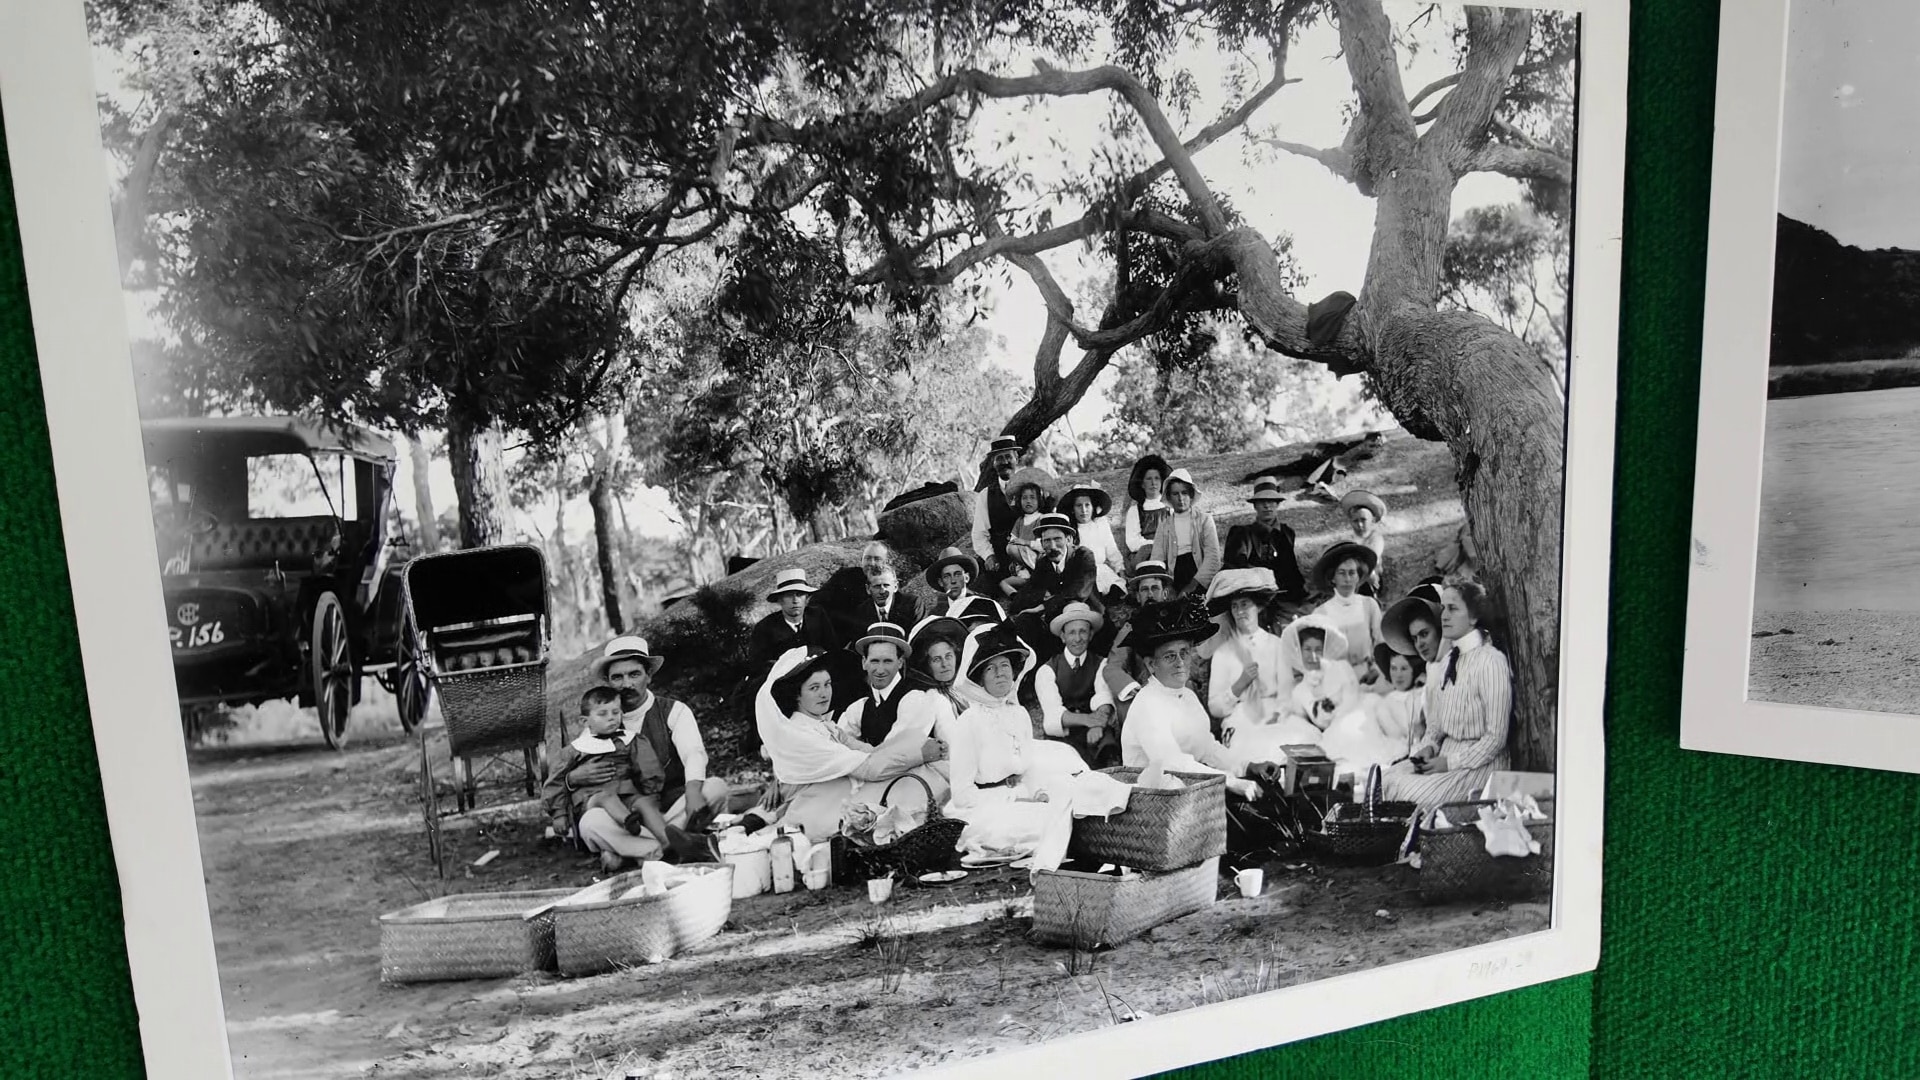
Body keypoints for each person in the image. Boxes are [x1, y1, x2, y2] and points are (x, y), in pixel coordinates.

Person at [754, 647, 950, 840]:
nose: (824, 694)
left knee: (916, 758)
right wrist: (920, 754)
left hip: (840, 793)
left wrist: (915, 748)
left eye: (827, 684)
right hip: (816, 807)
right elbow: (868, 768)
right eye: (814, 688)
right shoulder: (801, 734)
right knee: (907, 781)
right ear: (797, 695)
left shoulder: (824, 726)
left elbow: (870, 753)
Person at [571, 637, 732, 862]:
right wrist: (573, 776)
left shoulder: (674, 710)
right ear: (608, 681)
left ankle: (636, 851)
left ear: (649, 675)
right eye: (617, 677)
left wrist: (693, 792)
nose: (626, 684)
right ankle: (674, 847)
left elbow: (694, 753)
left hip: (672, 805)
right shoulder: (600, 720)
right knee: (590, 823)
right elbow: (578, 764)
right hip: (627, 816)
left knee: (716, 788)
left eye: (634, 674)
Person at [943, 622, 1086, 860]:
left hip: (1021, 797)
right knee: (1044, 823)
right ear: (980, 679)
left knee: (1069, 803)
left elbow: (1027, 767)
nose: (1001, 673)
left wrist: (1036, 792)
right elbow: (961, 794)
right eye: (991, 669)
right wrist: (1016, 797)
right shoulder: (969, 721)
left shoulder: (1019, 714)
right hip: (982, 810)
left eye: (1005, 665)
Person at [1384, 582, 1512, 809]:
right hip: (1444, 756)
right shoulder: (1449, 662)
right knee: (1387, 780)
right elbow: (1436, 727)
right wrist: (1429, 748)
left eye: (1453, 609)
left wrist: (1449, 762)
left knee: (1410, 797)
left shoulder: (1490, 661)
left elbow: (1496, 738)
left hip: (1479, 765)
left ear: (1473, 617)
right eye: (1443, 608)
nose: (1444, 616)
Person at [1118, 601, 1263, 799]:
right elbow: (1171, 762)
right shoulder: (1147, 704)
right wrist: (1231, 781)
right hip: (1153, 804)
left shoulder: (1187, 696)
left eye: (1184, 653)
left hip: (1188, 792)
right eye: (1170, 656)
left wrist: (1248, 766)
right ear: (1152, 664)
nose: (1180, 663)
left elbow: (1208, 748)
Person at [545, 686, 678, 871]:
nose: (611, 718)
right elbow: (556, 782)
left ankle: (668, 843)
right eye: (603, 714)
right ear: (585, 721)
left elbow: (648, 766)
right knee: (605, 797)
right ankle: (630, 826)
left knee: (645, 803)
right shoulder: (575, 750)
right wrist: (558, 814)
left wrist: (651, 790)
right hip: (593, 799)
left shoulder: (629, 741)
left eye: (616, 712)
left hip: (626, 795)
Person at [1200, 569, 1300, 762]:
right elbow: (1215, 708)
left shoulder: (1276, 645)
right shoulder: (1223, 652)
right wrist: (1240, 684)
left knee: (1297, 742)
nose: (1239, 612)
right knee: (1254, 749)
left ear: (1259, 607)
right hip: (1241, 717)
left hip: (1277, 714)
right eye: (1235, 607)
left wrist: (1280, 712)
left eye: (1245, 605)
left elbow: (1288, 693)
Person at [1005, 512, 1103, 660]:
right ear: (1042, 543)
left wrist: (1042, 606)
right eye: (1047, 541)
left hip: (1087, 617)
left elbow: (1078, 592)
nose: (1052, 546)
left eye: (1057, 539)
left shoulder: (1084, 556)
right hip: (1057, 621)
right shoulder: (1043, 562)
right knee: (1024, 622)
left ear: (1069, 539)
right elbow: (1030, 590)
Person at [1320, 643, 1427, 779]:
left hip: (1408, 744)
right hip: (1383, 739)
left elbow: (1414, 730)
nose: (1398, 675)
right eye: (1393, 668)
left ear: (1414, 670)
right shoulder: (1387, 698)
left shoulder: (1419, 696)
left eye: (1404, 669)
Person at [1033, 601, 1118, 767]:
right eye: (1072, 633)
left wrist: (1099, 723)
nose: (1078, 639)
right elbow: (1053, 714)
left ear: (1091, 635)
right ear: (1063, 637)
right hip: (1064, 732)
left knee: (1108, 752)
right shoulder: (1047, 670)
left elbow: (1103, 696)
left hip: (1094, 729)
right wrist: (1089, 720)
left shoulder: (1101, 663)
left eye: (1083, 632)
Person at [1222, 475, 1309, 618]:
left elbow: (1291, 569)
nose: (1267, 506)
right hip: (1253, 598)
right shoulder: (1242, 533)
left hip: (1286, 598)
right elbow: (1235, 565)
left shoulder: (1287, 533)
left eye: (1271, 501)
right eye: (1262, 502)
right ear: (1255, 506)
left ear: (1277, 504)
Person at [835, 622, 924, 751]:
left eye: (887, 661)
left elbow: (897, 750)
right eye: (874, 661)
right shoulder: (859, 708)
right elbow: (839, 749)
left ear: (900, 662)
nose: (880, 670)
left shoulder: (915, 698)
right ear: (864, 662)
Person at [1310, 541, 1384, 674]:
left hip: (1369, 677)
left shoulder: (1369, 605)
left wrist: (1376, 669)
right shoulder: (1320, 613)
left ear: (1359, 576)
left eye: (1352, 573)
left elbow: (1381, 643)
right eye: (1341, 573)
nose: (1347, 579)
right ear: (1332, 578)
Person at [1148, 467, 1222, 599]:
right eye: (1175, 494)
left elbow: (1213, 557)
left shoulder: (1204, 520)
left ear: (1191, 495)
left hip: (1200, 574)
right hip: (1174, 576)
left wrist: (1192, 586)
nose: (1180, 498)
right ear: (1169, 497)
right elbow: (1157, 560)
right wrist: (1167, 586)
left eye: (1184, 493)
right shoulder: (1164, 526)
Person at [745, 568, 838, 671]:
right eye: (789, 595)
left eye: (799, 594)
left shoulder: (817, 616)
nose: (795, 600)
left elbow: (833, 649)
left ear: (806, 597)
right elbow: (757, 664)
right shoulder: (765, 627)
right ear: (780, 600)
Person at [1280, 617, 1363, 729]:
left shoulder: (1341, 668)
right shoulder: (1299, 691)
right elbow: (1311, 725)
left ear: (1325, 649)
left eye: (1318, 649)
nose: (1313, 656)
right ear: (1300, 650)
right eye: (1308, 649)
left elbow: (1353, 701)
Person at [969, 435, 1027, 583]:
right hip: (1000, 559)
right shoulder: (986, 495)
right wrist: (989, 556)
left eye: (1008, 457)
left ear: (1017, 459)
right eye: (999, 458)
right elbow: (979, 533)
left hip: (1029, 556)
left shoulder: (1031, 490)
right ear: (993, 463)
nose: (1004, 462)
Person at [1060, 483, 1128, 600]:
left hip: (1101, 569)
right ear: (1072, 509)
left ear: (1093, 507)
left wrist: (1119, 568)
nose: (1084, 510)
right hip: (1080, 572)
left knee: (1114, 586)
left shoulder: (1100, 525)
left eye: (1087, 505)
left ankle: (1108, 595)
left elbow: (1111, 549)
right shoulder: (1069, 530)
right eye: (1079, 506)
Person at [923, 546, 1006, 626]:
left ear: (966, 577)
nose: (953, 581)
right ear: (941, 582)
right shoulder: (937, 615)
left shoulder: (984, 604)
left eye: (957, 574)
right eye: (947, 576)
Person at [1120, 454, 1172, 565]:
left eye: (1157, 478)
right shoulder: (1135, 511)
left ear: (1162, 481)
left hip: (1168, 551)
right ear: (1142, 484)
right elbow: (1132, 542)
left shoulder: (1170, 508)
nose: (1153, 483)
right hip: (1144, 554)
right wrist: (1154, 545)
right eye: (1149, 479)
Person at [1382, 582, 1445, 667]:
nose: (1419, 644)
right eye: (1414, 639)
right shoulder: (1430, 670)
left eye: (1424, 634)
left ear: (1440, 630)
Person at [845, 566, 920, 638]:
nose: (882, 591)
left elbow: (920, 639)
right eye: (877, 586)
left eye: (886, 585)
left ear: (895, 587)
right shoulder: (861, 612)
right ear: (868, 589)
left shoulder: (912, 604)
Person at [1340, 489, 1388, 594]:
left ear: (1373, 520)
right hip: (1353, 572)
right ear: (1350, 522)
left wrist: (1370, 575)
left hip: (1371, 573)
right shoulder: (1350, 538)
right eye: (1355, 521)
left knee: (1367, 589)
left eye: (1363, 520)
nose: (1360, 525)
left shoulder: (1375, 538)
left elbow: (1371, 559)